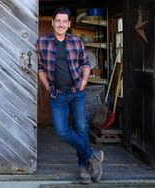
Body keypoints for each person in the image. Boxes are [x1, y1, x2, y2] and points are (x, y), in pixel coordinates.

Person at [36, 7, 104, 184]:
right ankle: (92, 156)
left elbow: (86, 64)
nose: (61, 24)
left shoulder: (76, 42)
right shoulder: (42, 42)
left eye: (64, 21)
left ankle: (83, 168)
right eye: (57, 20)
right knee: (61, 131)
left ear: (69, 23)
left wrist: (83, 83)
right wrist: (47, 86)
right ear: (52, 22)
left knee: (81, 129)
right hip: (57, 95)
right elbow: (41, 68)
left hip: (77, 94)